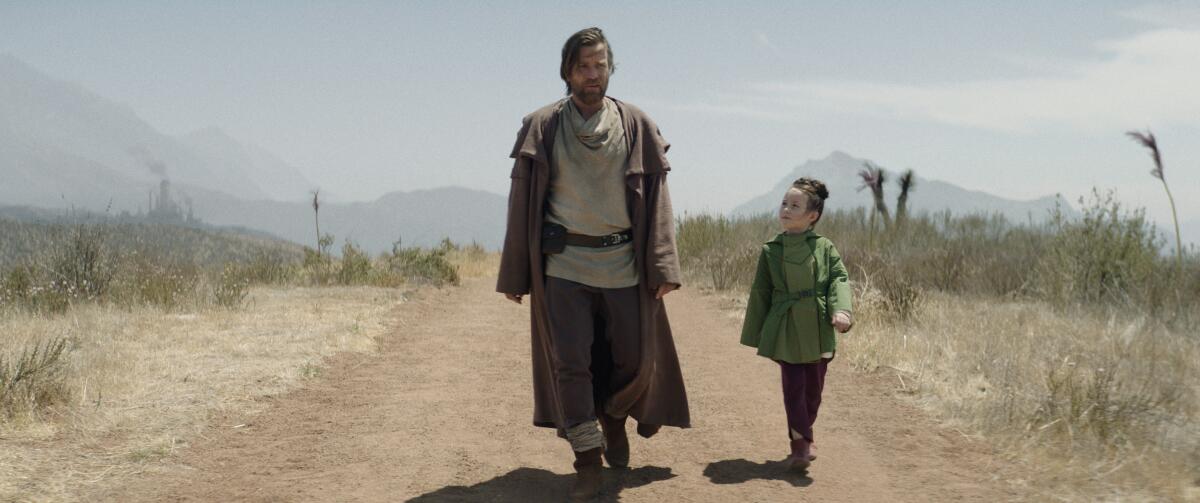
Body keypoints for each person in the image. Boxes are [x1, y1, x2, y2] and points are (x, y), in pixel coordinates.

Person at [496, 27, 689, 501]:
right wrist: (516, 272)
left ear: (610, 69)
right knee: (570, 363)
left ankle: (615, 415)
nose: (592, 74)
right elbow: (521, 203)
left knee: (636, 358)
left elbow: (659, 199)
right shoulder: (542, 126)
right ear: (567, 71)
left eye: (600, 65)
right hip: (564, 266)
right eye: (583, 66)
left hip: (624, 263)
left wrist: (663, 264)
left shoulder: (636, 124)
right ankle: (586, 460)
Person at [739, 177, 853, 471]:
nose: (786, 210)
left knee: (813, 391)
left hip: (817, 325)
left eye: (795, 205)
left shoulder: (825, 247)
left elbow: (838, 280)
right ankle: (800, 445)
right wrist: (758, 331)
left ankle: (806, 434)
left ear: (812, 216)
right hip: (786, 324)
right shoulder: (771, 250)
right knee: (793, 388)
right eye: (784, 204)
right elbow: (761, 291)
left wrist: (842, 312)